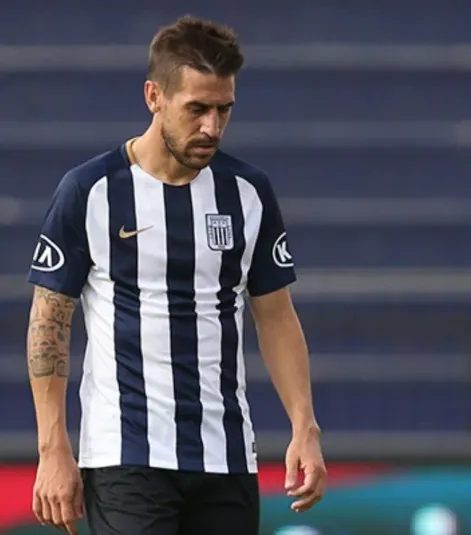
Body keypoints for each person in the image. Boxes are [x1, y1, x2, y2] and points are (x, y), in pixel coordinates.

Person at [26, 15, 326, 535]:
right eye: (197, 109)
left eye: (224, 109)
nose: (212, 127)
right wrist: (53, 448)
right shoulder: (90, 191)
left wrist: (305, 424)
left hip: (226, 456)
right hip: (126, 457)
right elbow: (48, 321)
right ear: (154, 97)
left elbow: (276, 316)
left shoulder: (248, 193)